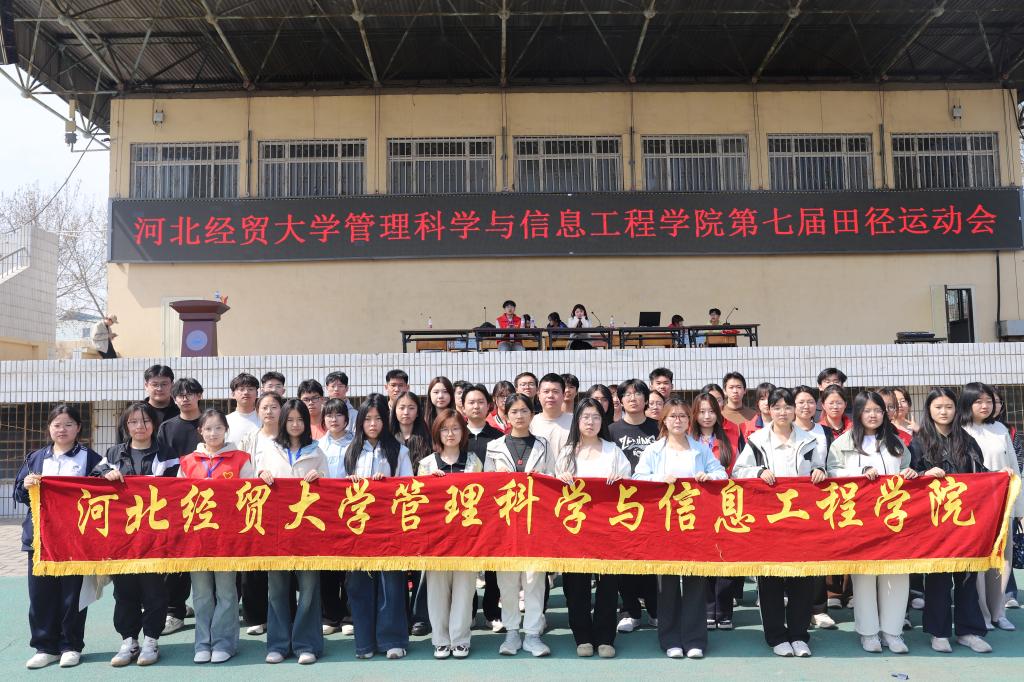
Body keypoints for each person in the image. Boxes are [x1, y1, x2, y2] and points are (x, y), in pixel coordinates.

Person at [733, 387, 827, 658]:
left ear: (794, 410)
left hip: (801, 520)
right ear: (768, 410)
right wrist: (759, 471)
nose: (783, 412)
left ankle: (799, 635)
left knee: (802, 579)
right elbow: (738, 472)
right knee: (770, 580)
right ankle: (776, 636)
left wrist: (820, 471)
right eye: (777, 407)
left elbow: (822, 468)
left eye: (787, 407)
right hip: (768, 522)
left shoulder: (811, 440)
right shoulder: (756, 441)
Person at [635, 397, 727, 658]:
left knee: (696, 581)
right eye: (672, 416)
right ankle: (670, 639)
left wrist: (708, 477)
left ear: (690, 420)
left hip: (694, 525)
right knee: (667, 584)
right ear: (663, 420)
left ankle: (695, 639)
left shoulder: (700, 449)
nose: (678, 420)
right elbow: (638, 478)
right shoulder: (654, 450)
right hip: (664, 524)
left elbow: (722, 474)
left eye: (683, 416)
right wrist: (658, 479)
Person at [826, 391, 916, 654]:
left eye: (878, 410)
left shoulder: (896, 442)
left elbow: (908, 468)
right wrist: (859, 472)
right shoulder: (842, 443)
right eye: (867, 410)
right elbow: (832, 473)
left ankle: (893, 632)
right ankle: (868, 633)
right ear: (857, 414)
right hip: (860, 520)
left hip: (894, 520)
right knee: (864, 576)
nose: (873, 415)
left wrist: (911, 473)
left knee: (897, 574)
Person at [15, 404, 105, 669]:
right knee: (40, 594)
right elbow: (18, 494)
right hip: (40, 539)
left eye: (68, 424)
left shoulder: (91, 458)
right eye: (57, 425)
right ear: (49, 428)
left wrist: (109, 474)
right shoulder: (35, 458)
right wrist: (26, 486)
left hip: (75, 539)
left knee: (72, 595)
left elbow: (106, 488)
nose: (62, 430)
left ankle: (71, 646)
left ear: (78, 428)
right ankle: (45, 647)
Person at [909, 387, 992, 653]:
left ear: (956, 409)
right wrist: (924, 475)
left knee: (967, 576)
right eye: (938, 407)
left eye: (948, 406)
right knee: (938, 578)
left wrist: (999, 476)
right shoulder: (918, 442)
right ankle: (939, 632)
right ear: (929, 410)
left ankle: (969, 631)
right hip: (934, 522)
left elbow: (981, 474)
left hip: (965, 520)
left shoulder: (966, 440)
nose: (944, 412)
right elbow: (910, 478)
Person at [554, 398, 631, 658]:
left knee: (609, 584)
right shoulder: (567, 453)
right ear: (577, 420)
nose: (590, 422)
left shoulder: (613, 451)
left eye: (596, 417)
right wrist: (560, 479)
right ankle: (583, 636)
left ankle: (605, 637)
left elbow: (630, 484)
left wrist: (621, 480)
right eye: (585, 417)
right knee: (577, 585)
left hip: (608, 528)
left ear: (603, 421)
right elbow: (554, 489)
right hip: (575, 529)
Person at [253, 399, 328, 665]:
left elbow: (329, 488)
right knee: (276, 589)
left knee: (309, 589)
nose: (295, 425)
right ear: (283, 421)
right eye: (291, 420)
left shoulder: (317, 451)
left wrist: (320, 476)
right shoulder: (269, 449)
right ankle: (278, 644)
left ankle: (306, 644)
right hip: (276, 532)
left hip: (308, 533)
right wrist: (260, 475)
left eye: (300, 420)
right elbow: (254, 482)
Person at [177, 409, 254, 663]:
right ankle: (202, 643)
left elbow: (249, 496)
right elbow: (178, 498)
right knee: (200, 593)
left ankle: (224, 642)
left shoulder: (241, 459)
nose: (213, 433)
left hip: (227, 537)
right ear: (200, 431)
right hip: (197, 538)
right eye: (208, 428)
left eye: (218, 428)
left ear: (226, 430)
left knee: (226, 592)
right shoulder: (187, 462)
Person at [342, 394, 413, 660]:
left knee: (390, 585)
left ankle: (392, 640)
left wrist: (388, 485)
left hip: (389, 529)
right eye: (368, 419)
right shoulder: (351, 451)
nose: (373, 424)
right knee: (359, 586)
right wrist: (349, 482)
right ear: (360, 421)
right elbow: (337, 486)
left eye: (378, 418)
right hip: (358, 529)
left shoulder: (399, 451)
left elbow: (409, 487)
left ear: (386, 421)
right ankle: (364, 643)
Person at [99, 402, 170, 667]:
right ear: (126, 426)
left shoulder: (166, 453)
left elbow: (177, 487)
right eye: (133, 422)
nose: (140, 426)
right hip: (122, 538)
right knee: (124, 591)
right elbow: (95, 474)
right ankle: (129, 640)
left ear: (154, 424)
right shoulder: (113, 453)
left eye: (145, 421)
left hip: (155, 537)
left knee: (154, 591)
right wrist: (106, 473)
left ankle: (151, 640)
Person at [484, 393, 553, 657]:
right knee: (507, 580)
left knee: (535, 580)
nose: (520, 416)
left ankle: (533, 634)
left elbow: (552, 478)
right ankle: (512, 632)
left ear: (532, 414)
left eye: (524, 410)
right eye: (514, 411)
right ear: (506, 414)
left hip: (536, 523)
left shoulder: (543, 445)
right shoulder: (494, 446)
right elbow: (487, 486)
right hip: (505, 524)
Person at [958, 382, 1023, 631]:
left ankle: (998, 612)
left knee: (1002, 558)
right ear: (967, 403)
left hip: (1002, 505)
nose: (985, 406)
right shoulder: (960, 430)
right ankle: (982, 614)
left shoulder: (1000, 429)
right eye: (978, 401)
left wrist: (1019, 508)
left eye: (989, 401)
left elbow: (1015, 469)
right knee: (978, 561)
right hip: (973, 508)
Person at [419, 409, 484, 659]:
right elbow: (419, 502)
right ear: (437, 433)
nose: (450, 434)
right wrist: (431, 483)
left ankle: (461, 639)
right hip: (436, 540)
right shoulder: (426, 464)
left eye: (455, 428)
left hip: (467, 539)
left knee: (464, 590)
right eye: (444, 429)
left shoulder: (474, 462)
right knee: (436, 590)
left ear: (463, 432)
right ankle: (440, 640)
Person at [609, 379, 660, 633]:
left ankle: (655, 609)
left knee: (651, 557)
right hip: (621, 504)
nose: (632, 398)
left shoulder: (658, 427)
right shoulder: (611, 430)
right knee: (624, 558)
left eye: (638, 393)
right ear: (620, 400)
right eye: (627, 394)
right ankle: (629, 611)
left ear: (646, 399)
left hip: (653, 503)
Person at [155, 377, 204, 635]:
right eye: (180, 395)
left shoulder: (210, 421)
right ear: (174, 399)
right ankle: (175, 612)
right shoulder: (167, 427)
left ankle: (213, 609)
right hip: (177, 502)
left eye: (190, 393)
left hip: (210, 501)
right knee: (177, 560)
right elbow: (163, 466)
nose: (185, 398)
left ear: (199, 395)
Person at [690, 391, 743, 628]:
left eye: (711, 411)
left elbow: (739, 469)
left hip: (726, 503)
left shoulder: (732, 434)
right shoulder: (687, 439)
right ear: (694, 414)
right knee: (703, 558)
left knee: (726, 557)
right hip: (697, 506)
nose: (707, 416)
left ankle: (724, 610)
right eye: (701, 412)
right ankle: (707, 610)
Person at [238, 392, 285, 636]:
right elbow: (240, 470)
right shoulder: (249, 439)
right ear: (257, 411)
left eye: (274, 407)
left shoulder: (289, 437)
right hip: (255, 506)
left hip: (283, 508)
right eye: (265, 407)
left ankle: (283, 615)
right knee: (254, 564)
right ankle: (256, 616)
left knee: (282, 566)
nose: (269, 412)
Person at [792, 384, 838, 629]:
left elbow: (834, 464)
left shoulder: (825, 432)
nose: (806, 406)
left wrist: (823, 471)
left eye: (810, 401)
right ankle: (795, 607)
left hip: (819, 500)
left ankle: (819, 608)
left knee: (817, 552)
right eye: (800, 402)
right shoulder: (785, 431)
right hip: (790, 502)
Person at [389, 390, 433, 635]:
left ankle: (420, 616)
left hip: (422, 509)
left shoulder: (427, 439)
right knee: (397, 565)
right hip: (393, 511)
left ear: (418, 412)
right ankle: (399, 615)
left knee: (420, 565)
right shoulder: (387, 438)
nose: (406, 412)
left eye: (411, 408)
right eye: (401, 407)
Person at [318, 398, 353, 637]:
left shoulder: (357, 444)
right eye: (329, 415)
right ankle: (330, 616)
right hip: (325, 511)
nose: (334, 419)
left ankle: (350, 615)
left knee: (350, 567)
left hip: (351, 509)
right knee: (328, 566)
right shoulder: (317, 445)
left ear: (346, 419)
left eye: (338, 415)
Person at [462, 384, 503, 461]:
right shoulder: (458, 436)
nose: (476, 406)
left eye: (481, 402)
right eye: (471, 402)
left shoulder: (499, 437)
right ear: (463, 408)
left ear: (488, 406)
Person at [226, 372, 261, 443]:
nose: (246, 392)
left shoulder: (265, 419)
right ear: (233, 394)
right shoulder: (225, 421)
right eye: (241, 389)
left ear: (257, 394)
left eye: (250, 389)